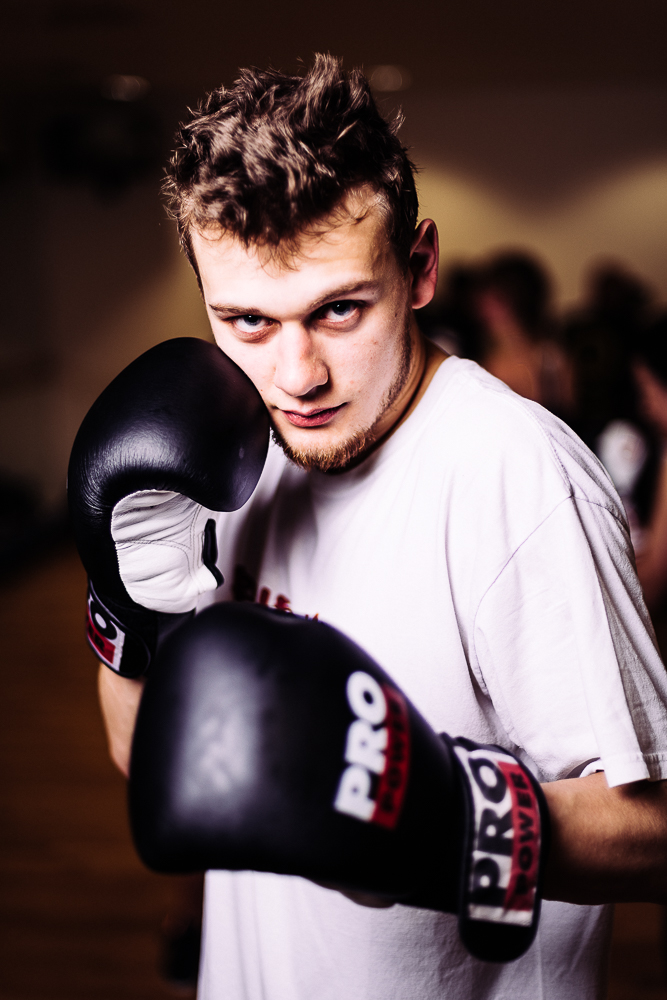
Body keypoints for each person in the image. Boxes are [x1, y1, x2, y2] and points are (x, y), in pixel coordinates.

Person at [95, 55, 667, 1000]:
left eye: (338, 310)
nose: (298, 377)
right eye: (247, 321)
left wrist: (446, 821)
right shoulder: (227, 447)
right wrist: (125, 599)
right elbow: (144, 752)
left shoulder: (515, 478)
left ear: (419, 266)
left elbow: (654, 834)